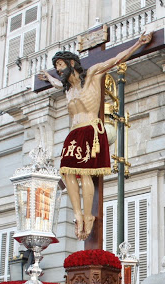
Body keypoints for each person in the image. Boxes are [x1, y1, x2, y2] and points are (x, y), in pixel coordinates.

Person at [39, 33, 152, 240]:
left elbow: (116, 59)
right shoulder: (67, 89)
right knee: (67, 172)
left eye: (61, 65)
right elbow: (56, 83)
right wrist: (48, 77)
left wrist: (138, 44)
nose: (59, 69)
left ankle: (88, 215)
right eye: (57, 67)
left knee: (85, 172)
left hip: (90, 128)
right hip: (73, 133)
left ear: (72, 63)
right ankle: (77, 214)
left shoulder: (92, 75)